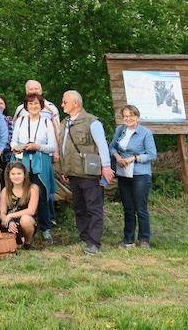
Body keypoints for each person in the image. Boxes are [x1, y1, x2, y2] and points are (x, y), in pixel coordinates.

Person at [59, 90, 114, 255]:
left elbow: (102, 146)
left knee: (93, 207)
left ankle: (94, 242)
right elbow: (63, 148)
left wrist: (105, 167)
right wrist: (64, 169)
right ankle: (84, 236)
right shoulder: (65, 122)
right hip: (73, 173)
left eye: (65, 101)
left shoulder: (92, 122)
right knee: (79, 207)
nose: (62, 105)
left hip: (90, 173)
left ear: (75, 103)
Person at [10, 93, 57, 243]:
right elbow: (13, 142)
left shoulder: (46, 122)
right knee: (22, 195)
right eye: (30, 104)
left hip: (41, 162)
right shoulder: (21, 121)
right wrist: (18, 147)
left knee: (42, 195)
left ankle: (45, 229)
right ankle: (24, 229)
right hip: (22, 161)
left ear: (41, 105)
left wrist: (38, 146)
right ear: (26, 106)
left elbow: (52, 146)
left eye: (36, 103)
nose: (33, 106)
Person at [110, 104, 157, 249]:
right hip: (123, 173)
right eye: (125, 116)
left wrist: (134, 158)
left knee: (140, 207)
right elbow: (111, 147)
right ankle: (128, 239)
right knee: (128, 207)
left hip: (140, 174)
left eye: (131, 115)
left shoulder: (145, 133)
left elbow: (152, 155)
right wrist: (117, 156)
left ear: (137, 116)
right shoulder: (120, 130)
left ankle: (144, 239)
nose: (128, 118)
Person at [0, 162, 39, 248]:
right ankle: (18, 241)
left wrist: (10, 215)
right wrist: (9, 221)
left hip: (27, 221)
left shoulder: (32, 188)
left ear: (24, 175)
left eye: (19, 173)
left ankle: (27, 243)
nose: (16, 176)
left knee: (25, 219)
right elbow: (2, 213)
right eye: (13, 174)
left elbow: (31, 210)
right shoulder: (5, 191)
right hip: (11, 222)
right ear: (9, 176)